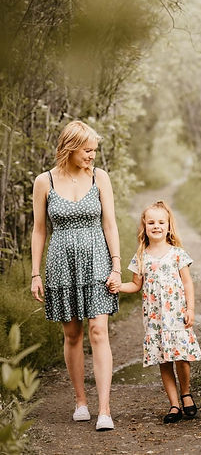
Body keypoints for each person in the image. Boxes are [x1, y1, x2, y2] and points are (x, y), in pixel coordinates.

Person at [31, 120, 121, 431]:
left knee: (98, 330)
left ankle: (105, 409)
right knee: (73, 335)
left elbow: (109, 224)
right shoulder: (45, 182)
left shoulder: (100, 178)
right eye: (87, 150)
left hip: (97, 261)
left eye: (94, 150)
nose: (92, 156)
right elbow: (39, 230)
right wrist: (34, 273)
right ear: (70, 148)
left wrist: (116, 264)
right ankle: (80, 400)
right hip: (60, 264)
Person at [120, 200, 201, 423]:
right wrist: (117, 286)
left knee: (181, 358)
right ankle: (174, 405)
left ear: (168, 226)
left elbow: (187, 283)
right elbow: (136, 285)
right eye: (151, 222)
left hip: (176, 314)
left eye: (161, 222)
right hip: (155, 319)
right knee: (163, 360)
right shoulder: (141, 256)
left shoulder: (177, 254)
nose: (156, 226)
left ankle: (186, 393)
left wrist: (191, 309)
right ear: (144, 226)